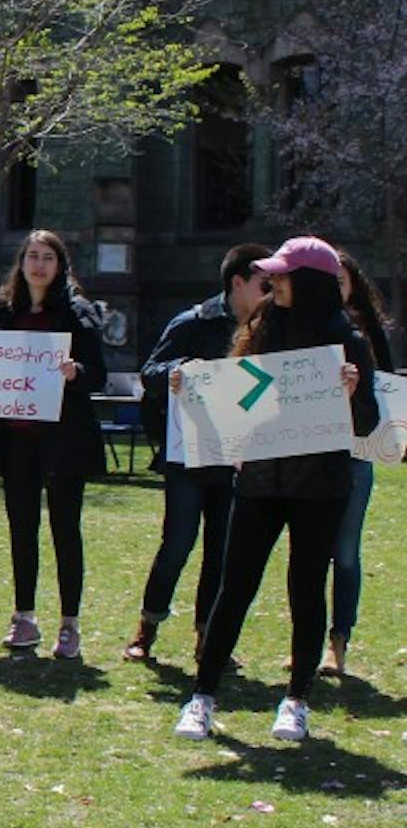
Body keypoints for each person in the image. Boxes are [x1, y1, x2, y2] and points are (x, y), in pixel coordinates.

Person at [176, 237, 378, 743]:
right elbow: (243, 396)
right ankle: (202, 697)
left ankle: (297, 701)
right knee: (235, 585)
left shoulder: (346, 340)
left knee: (305, 589)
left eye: (282, 276)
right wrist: (197, 390)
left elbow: (369, 421)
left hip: (321, 486)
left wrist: (352, 392)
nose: (272, 282)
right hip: (262, 480)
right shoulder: (263, 328)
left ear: (307, 283)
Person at [122, 243, 271, 663]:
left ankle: (209, 638)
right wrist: (176, 371)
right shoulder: (192, 322)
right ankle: (147, 626)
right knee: (177, 544)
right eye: (265, 284)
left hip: (240, 459)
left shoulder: (270, 331)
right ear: (237, 283)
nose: (271, 291)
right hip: (189, 457)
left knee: (221, 552)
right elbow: (149, 373)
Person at [0, 230, 107, 659]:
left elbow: (99, 374)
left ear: (59, 265)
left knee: (66, 530)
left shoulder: (77, 314)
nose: (38, 265)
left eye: (47, 257)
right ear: (21, 263)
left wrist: (77, 371)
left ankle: (70, 624)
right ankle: (24, 617)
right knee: (22, 529)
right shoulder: (1, 313)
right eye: (32, 256)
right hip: (17, 441)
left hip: (64, 440)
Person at [326, 247, 394, 675]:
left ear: (353, 287)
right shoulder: (297, 329)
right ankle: (308, 641)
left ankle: (338, 642)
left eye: (339, 281)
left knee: (345, 553)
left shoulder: (364, 336)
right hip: (310, 457)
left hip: (354, 456)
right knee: (309, 555)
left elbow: (384, 396)